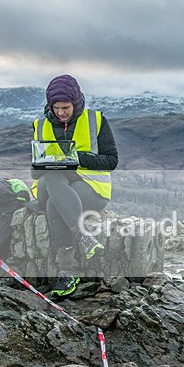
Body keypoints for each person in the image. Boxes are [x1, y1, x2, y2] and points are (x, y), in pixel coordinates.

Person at [32, 74, 118, 299]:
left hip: (91, 189)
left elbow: (111, 161)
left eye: (66, 107)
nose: (61, 113)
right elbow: (34, 171)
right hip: (49, 185)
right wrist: (50, 164)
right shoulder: (40, 125)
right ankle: (83, 237)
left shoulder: (96, 120)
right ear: (50, 105)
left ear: (76, 102)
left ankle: (66, 272)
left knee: (55, 204)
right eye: (56, 108)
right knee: (52, 178)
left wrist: (78, 158)